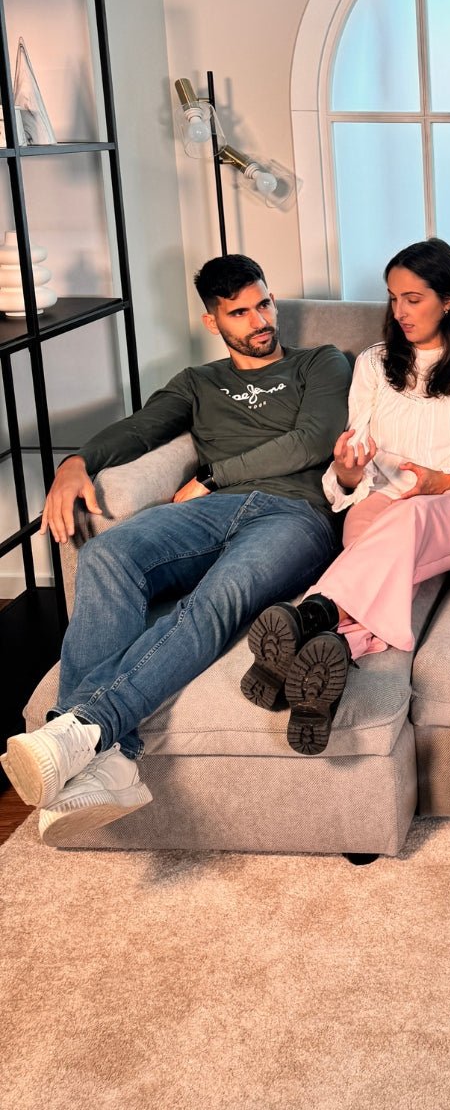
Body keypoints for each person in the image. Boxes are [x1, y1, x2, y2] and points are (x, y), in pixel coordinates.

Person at [1, 254, 350, 844]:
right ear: (213, 321)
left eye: (264, 304)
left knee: (217, 598)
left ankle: (83, 728)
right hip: (207, 513)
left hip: (294, 514)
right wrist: (77, 462)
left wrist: (213, 477)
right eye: (239, 313)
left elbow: (313, 441)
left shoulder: (321, 362)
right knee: (107, 553)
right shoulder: (198, 382)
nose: (260, 321)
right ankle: (111, 759)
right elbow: (140, 429)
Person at [242, 238, 450, 755]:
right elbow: (354, 459)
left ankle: (314, 611)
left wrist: (442, 481)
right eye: (394, 299)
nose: (400, 312)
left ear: (449, 300)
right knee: (372, 536)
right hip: (384, 498)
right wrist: (348, 472)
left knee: (407, 523)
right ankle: (333, 649)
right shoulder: (374, 363)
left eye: (413, 299)